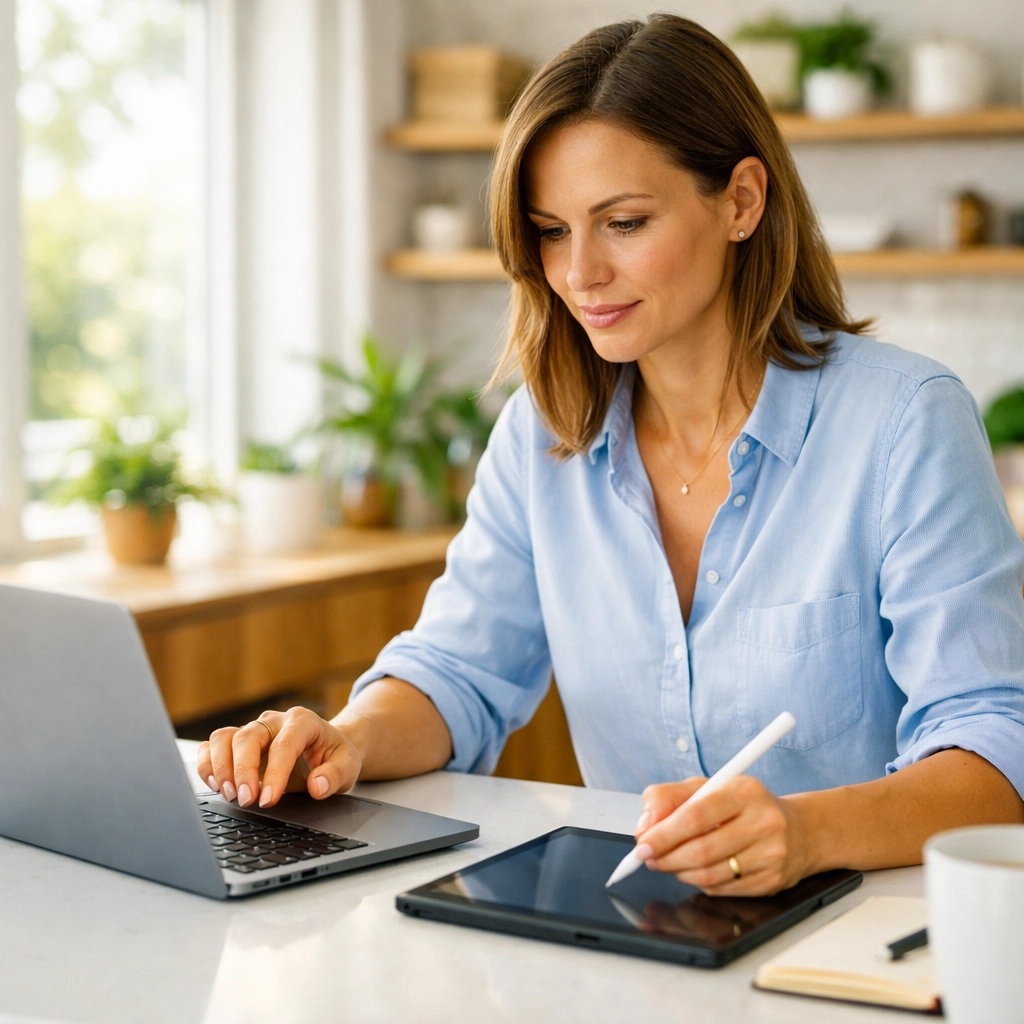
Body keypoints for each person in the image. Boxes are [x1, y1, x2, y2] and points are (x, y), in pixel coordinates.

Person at [199, 14, 1024, 896]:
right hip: (642, 927)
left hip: (860, 937)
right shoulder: (540, 435)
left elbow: (996, 751)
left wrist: (806, 829)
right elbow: (457, 672)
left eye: (623, 222)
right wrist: (349, 738)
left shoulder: (902, 421)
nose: (579, 272)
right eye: (551, 231)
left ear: (742, 201)